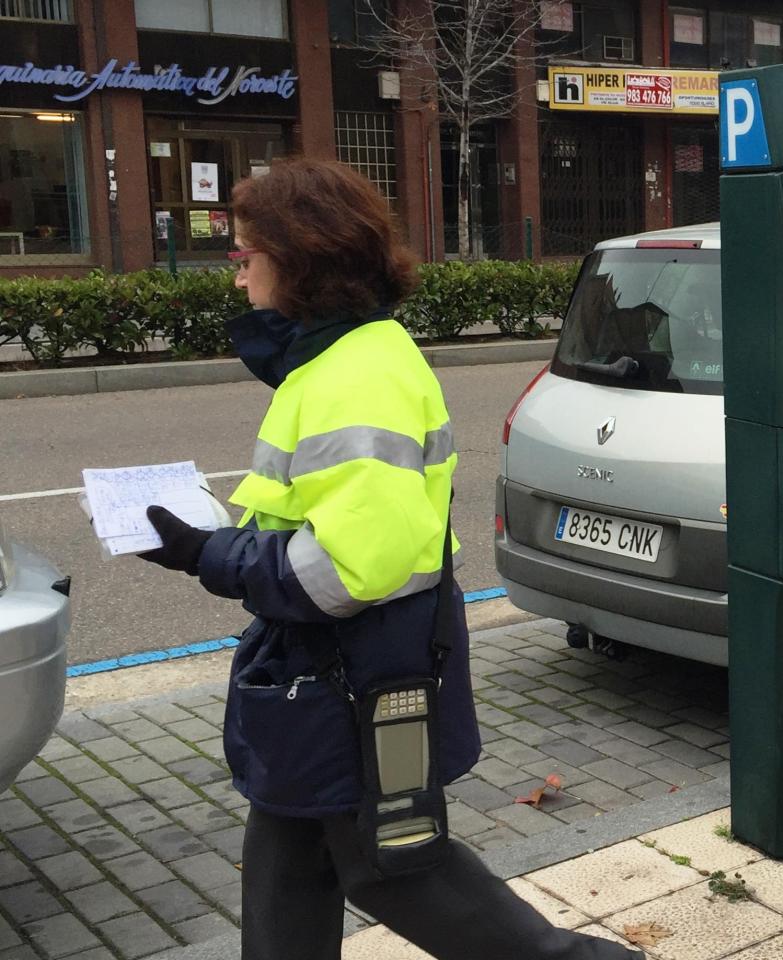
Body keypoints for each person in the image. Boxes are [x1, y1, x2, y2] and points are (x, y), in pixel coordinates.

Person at [136, 158, 643, 960]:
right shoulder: (342, 359)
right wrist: (209, 543)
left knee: (393, 868)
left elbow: (348, 571)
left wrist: (210, 553)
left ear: (299, 259)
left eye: (244, 257)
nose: (237, 280)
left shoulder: (355, 375)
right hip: (333, 670)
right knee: (291, 857)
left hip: (354, 674)